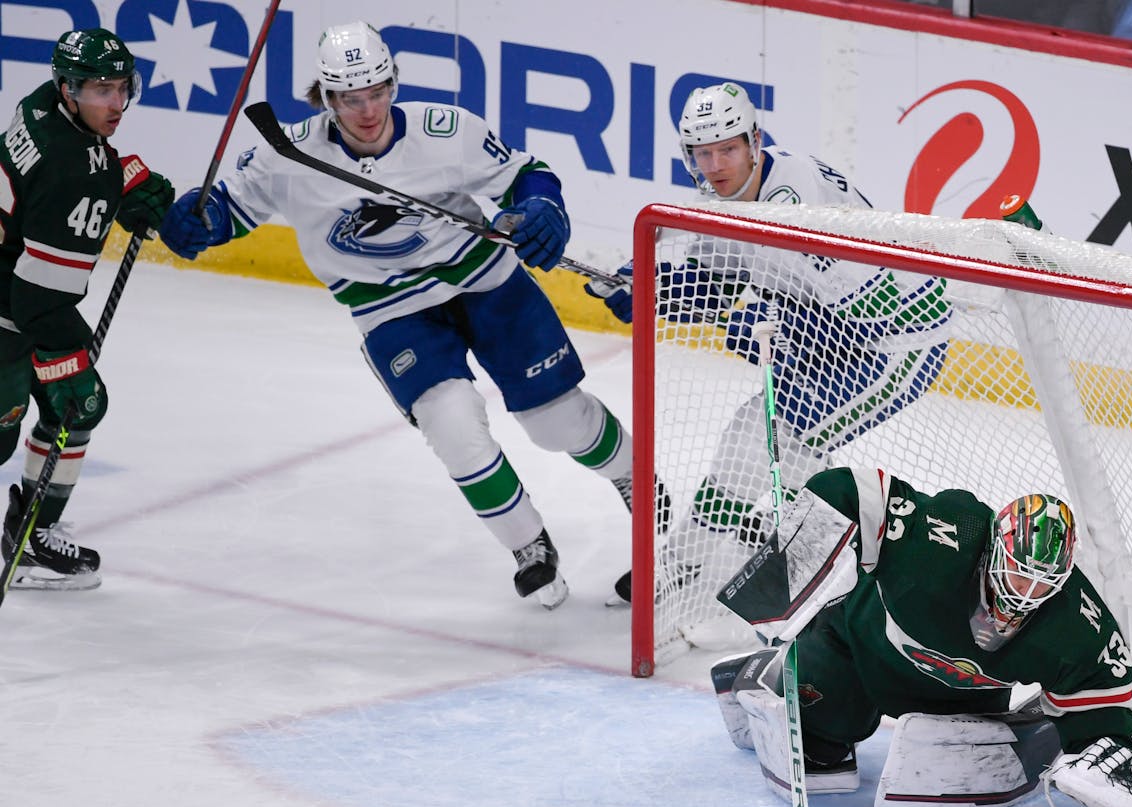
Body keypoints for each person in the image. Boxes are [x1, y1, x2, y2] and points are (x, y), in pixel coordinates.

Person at [157, 22, 636, 610]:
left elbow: (525, 175)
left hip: (483, 278)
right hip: (389, 307)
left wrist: (541, 207)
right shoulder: (287, 154)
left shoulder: (446, 131)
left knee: (556, 422)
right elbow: (227, 209)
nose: (368, 110)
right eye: (351, 99)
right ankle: (529, 546)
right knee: (453, 424)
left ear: (393, 82)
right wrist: (195, 222)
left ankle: (641, 485)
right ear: (327, 99)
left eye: (379, 92)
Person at [586, 83, 955, 605]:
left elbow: (840, 314)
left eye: (728, 149)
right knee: (757, 442)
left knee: (769, 445)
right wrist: (647, 283)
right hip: (832, 333)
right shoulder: (722, 203)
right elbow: (718, 284)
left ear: (755, 141)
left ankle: (790, 558)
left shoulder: (796, 199)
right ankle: (761, 554)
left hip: (896, 343)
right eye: (702, 151)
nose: (715, 165)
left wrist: (716, 311)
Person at [709, 466, 1132, 807]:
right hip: (860, 655)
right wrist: (787, 572)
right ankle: (774, 673)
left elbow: (1106, 693)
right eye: (1019, 576)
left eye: (1043, 584)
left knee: (957, 757)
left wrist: (1107, 749)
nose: (1026, 594)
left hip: (960, 704)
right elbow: (851, 490)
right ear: (993, 553)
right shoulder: (944, 537)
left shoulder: (1075, 617)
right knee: (821, 749)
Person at [0, 28, 175, 589]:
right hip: (14, 308)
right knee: (60, 407)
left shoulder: (43, 104)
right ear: (69, 88)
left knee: (72, 410)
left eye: (123, 88)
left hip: (12, 291)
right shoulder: (76, 175)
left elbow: (81, 164)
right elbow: (39, 300)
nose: (117, 104)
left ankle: (29, 536)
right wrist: (66, 366)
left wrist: (126, 178)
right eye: (102, 90)